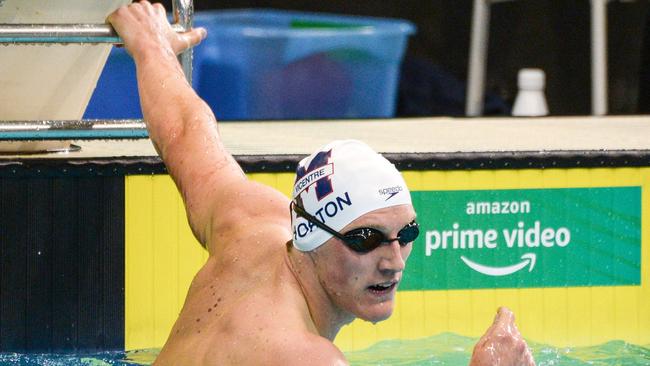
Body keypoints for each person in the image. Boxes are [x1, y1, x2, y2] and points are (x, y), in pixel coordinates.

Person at [108, 2, 536, 365]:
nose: (394, 261)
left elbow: (187, 133)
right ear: (312, 237)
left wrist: (151, 47)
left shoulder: (251, 226)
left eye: (405, 234)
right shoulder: (306, 357)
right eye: (366, 239)